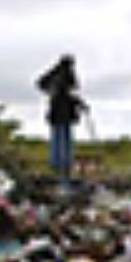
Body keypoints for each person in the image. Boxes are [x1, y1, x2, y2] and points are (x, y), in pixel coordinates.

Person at [36, 55, 87, 186]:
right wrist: (80, 104)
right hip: (63, 115)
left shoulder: (54, 76)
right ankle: (63, 166)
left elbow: (70, 94)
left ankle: (60, 165)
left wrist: (79, 104)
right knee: (63, 140)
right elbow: (70, 95)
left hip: (58, 115)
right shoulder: (64, 77)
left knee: (60, 139)